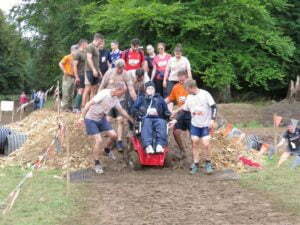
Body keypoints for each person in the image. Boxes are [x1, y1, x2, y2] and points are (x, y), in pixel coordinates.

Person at [80, 83, 134, 174]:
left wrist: (130, 119)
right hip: (91, 119)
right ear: (118, 90)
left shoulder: (115, 99)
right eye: (123, 92)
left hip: (101, 119)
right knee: (99, 140)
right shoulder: (104, 93)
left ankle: (107, 150)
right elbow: (89, 103)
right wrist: (82, 117)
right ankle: (96, 164)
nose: (123, 95)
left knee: (114, 136)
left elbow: (121, 111)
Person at [174, 79, 217, 174]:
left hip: (205, 124)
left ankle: (208, 163)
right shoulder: (189, 97)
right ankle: (195, 164)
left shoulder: (205, 94)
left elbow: (214, 107)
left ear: (191, 87)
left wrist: (212, 120)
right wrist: (175, 120)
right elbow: (184, 111)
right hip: (195, 124)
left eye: (186, 89)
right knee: (195, 142)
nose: (186, 91)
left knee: (206, 144)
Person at [98, 59, 137, 151]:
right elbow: (102, 86)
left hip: (120, 99)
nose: (120, 70)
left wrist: (136, 100)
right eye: (118, 68)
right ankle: (112, 139)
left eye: (121, 68)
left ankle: (119, 141)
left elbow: (131, 88)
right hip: (109, 99)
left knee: (120, 120)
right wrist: (99, 99)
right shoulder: (109, 73)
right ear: (115, 67)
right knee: (108, 119)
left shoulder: (126, 74)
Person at [132, 82, 170, 154]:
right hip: (145, 118)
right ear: (145, 90)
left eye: (152, 88)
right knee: (146, 122)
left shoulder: (160, 99)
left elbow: (166, 110)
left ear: (155, 90)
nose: (150, 90)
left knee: (162, 122)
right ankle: (148, 145)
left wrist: (167, 114)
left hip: (158, 118)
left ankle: (160, 145)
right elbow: (134, 109)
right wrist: (139, 113)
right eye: (148, 88)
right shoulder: (141, 98)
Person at [165, 70, 190, 158]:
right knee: (175, 132)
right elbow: (170, 98)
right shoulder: (176, 87)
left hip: (191, 113)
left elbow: (188, 105)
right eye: (180, 80)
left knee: (194, 134)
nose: (181, 82)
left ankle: (195, 153)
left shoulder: (190, 88)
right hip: (181, 113)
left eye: (183, 80)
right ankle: (182, 151)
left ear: (187, 78)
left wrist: (175, 111)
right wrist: (161, 102)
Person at [82, 33, 103, 107]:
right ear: (97, 39)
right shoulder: (90, 46)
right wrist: (93, 70)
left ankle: (90, 107)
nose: (101, 43)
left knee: (94, 90)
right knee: (87, 89)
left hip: (96, 71)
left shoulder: (96, 48)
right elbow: (89, 58)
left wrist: (99, 71)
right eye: (100, 41)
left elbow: (96, 61)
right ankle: (82, 107)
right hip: (89, 71)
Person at [59, 45, 78, 111]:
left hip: (73, 77)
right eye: (75, 50)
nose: (76, 52)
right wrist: (64, 70)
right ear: (72, 50)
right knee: (66, 92)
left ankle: (69, 107)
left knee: (72, 93)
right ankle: (64, 107)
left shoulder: (76, 59)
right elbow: (60, 63)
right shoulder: (67, 57)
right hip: (67, 76)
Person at [73, 39, 88, 112]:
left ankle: (82, 107)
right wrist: (76, 76)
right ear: (83, 44)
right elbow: (74, 65)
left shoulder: (85, 52)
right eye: (86, 43)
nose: (87, 45)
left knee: (85, 90)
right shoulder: (77, 53)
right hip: (80, 74)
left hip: (86, 74)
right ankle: (76, 107)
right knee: (80, 90)